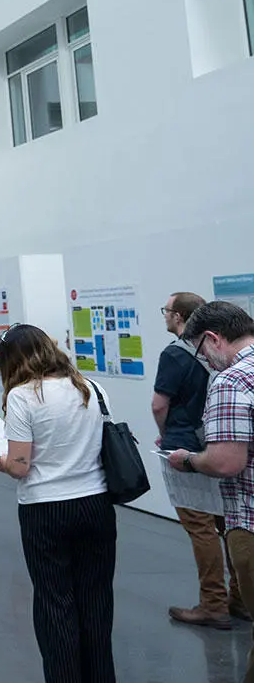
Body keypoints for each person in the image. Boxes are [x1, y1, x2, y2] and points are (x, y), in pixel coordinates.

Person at [0, 323, 115, 683]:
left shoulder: (22, 396)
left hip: (45, 509)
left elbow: (19, 466)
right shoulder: (91, 387)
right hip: (96, 504)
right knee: (96, 602)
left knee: (55, 603)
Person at [171, 302, 254, 683]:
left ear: (213, 338)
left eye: (202, 351)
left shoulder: (231, 381)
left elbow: (225, 462)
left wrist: (189, 460)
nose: (205, 360)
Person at [154, 291, 243, 628]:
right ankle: (241, 598)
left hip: (184, 448)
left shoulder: (173, 354)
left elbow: (158, 405)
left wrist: (165, 434)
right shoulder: (224, 354)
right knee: (226, 523)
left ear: (179, 316)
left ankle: (212, 604)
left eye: (166, 310)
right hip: (220, 442)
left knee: (200, 527)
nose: (165, 315)